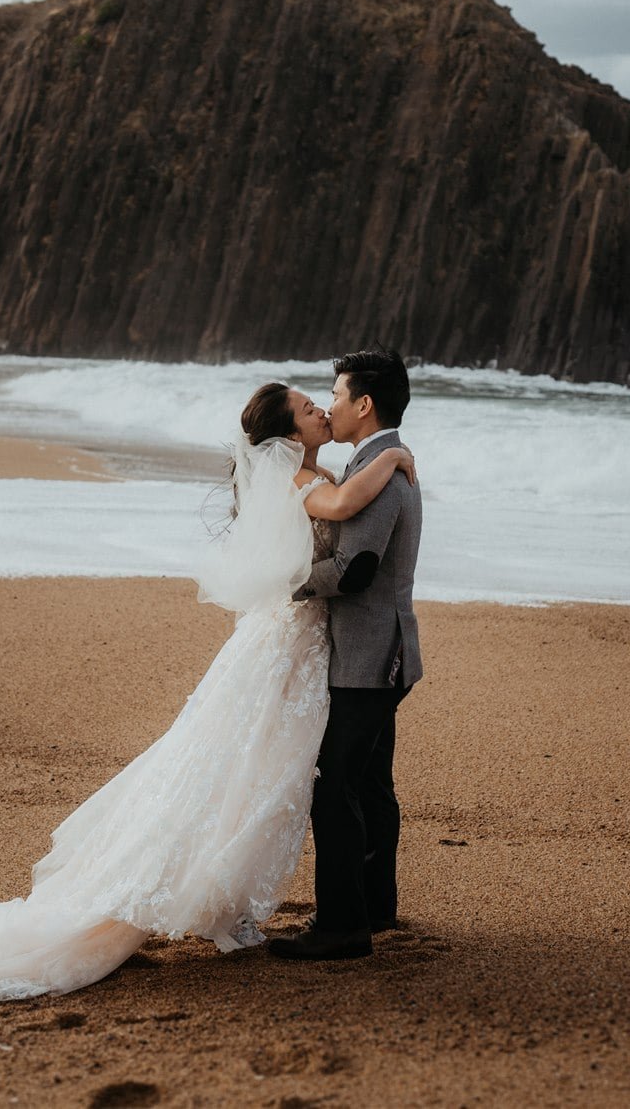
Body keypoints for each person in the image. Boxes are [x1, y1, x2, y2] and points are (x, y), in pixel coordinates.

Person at [0, 376, 415, 1015]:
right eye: (311, 409)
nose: (322, 410)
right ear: (289, 435)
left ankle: (286, 901)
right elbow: (341, 509)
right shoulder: (304, 480)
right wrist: (394, 455)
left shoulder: (311, 473)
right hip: (292, 640)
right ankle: (252, 899)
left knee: (266, 767)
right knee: (253, 764)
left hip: (300, 641)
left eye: (326, 402)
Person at [270, 348, 422, 961]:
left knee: (335, 787)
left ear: (363, 404)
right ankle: (374, 907)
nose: (329, 405)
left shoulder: (379, 473)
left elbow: (356, 570)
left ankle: (342, 926)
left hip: (369, 656)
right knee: (368, 782)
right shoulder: (373, 464)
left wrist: (291, 583)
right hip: (380, 650)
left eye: (334, 395)